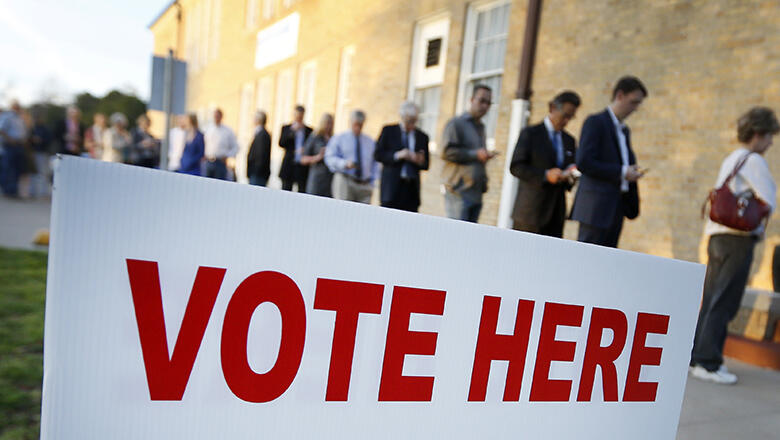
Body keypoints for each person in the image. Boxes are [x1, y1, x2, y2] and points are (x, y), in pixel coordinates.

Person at [690, 107, 779, 385]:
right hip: (737, 239)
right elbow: (770, 200)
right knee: (725, 300)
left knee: (712, 297)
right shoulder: (754, 161)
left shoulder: (732, 158)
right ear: (759, 134)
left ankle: (696, 357)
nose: (771, 143)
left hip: (717, 236)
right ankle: (709, 362)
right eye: (770, 136)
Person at [570, 76, 648, 247]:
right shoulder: (595, 122)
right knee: (586, 262)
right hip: (595, 208)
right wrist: (622, 172)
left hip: (616, 207)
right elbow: (584, 162)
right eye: (633, 102)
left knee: (607, 265)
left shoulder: (624, 130)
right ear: (619, 96)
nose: (635, 109)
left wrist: (631, 171)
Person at [510, 91, 581, 237]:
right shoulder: (530, 133)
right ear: (552, 108)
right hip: (530, 212)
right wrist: (545, 175)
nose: (567, 121)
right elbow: (516, 167)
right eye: (565, 115)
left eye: (570, 117)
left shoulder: (569, 140)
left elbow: (571, 170)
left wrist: (571, 175)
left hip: (556, 213)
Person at [441, 84, 498, 222]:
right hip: (459, 192)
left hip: (476, 192)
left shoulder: (481, 127)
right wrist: (475, 154)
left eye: (488, 102)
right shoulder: (457, 123)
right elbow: (446, 152)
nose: (485, 106)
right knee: (457, 237)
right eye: (481, 101)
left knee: (469, 238)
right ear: (472, 99)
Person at [374, 101, 430, 212]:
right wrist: (398, 155)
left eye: (414, 121)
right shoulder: (388, 131)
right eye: (409, 120)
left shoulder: (422, 136)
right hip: (391, 189)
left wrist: (419, 160)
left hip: (411, 190)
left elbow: (426, 164)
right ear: (402, 116)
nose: (411, 124)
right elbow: (378, 155)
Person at [325, 109, 379, 203]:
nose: (358, 128)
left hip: (364, 185)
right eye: (356, 124)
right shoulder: (339, 138)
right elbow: (329, 157)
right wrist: (344, 163)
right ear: (350, 122)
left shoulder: (369, 142)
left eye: (360, 125)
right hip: (345, 180)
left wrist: (372, 182)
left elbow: (375, 163)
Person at [278, 105, 313, 192]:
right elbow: (281, 143)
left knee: (302, 191)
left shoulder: (309, 131)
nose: (298, 119)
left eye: (300, 117)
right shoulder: (286, 128)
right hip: (289, 165)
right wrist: (292, 132)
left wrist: (305, 151)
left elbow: (312, 147)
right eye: (297, 116)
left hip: (302, 168)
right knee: (286, 191)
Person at [301, 113, 334, 197]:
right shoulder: (315, 137)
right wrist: (318, 157)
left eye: (331, 123)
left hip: (330, 179)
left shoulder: (334, 139)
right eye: (327, 123)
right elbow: (303, 159)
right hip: (317, 178)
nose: (329, 126)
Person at [0, 101, 28, 197]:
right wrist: (10, 140)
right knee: (8, 168)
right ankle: (7, 190)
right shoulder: (7, 116)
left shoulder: (20, 118)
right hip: (10, 145)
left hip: (20, 146)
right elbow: (2, 130)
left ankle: (14, 190)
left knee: (17, 169)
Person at [203, 108, 238, 180]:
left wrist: (227, 155)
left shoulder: (227, 131)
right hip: (208, 162)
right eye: (215, 116)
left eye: (218, 116)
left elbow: (236, 147)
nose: (216, 118)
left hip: (220, 163)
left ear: (221, 117)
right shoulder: (208, 129)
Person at [29, 109, 53, 198]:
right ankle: (32, 191)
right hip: (33, 152)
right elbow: (28, 139)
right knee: (33, 173)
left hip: (42, 152)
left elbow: (49, 140)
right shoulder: (32, 128)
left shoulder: (45, 129)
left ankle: (43, 192)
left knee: (43, 173)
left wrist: (41, 140)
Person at [246, 111, 272, 186]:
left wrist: (254, 170)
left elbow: (261, 155)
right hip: (256, 173)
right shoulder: (260, 133)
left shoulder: (263, 134)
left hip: (258, 174)